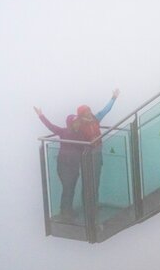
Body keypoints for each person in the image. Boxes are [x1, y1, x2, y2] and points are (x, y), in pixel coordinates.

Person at [34, 89, 119, 220]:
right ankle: (83, 207)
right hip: (83, 158)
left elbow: (105, 110)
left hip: (91, 156)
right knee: (83, 183)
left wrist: (113, 98)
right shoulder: (77, 128)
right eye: (85, 112)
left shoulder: (92, 121)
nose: (89, 114)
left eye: (89, 111)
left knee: (92, 182)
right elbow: (55, 128)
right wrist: (41, 116)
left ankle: (90, 205)